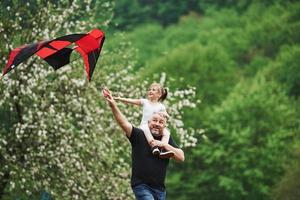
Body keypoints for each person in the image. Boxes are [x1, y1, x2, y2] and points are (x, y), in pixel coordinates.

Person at [102, 88, 185, 200]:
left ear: (165, 126)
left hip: (160, 189)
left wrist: (164, 145)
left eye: (161, 122)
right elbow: (123, 123)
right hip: (141, 186)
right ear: (148, 122)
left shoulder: (166, 139)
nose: (157, 124)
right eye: (154, 120)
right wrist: (113, 105)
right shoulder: (138, 135)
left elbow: (181, 157)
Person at [113, 82, 173, 158]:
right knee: (146, 129)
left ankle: (163, 149)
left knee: (167, 132)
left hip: (154, 127)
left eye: (153, 90)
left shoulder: (161, 106)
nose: (150, 91)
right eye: (149, 89)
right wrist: (120, 99)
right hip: (145, 125)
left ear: (159, 95)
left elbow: (166, 116)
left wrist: (162, 114)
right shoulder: (145, 102)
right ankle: (154, 146)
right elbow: (132, 101)